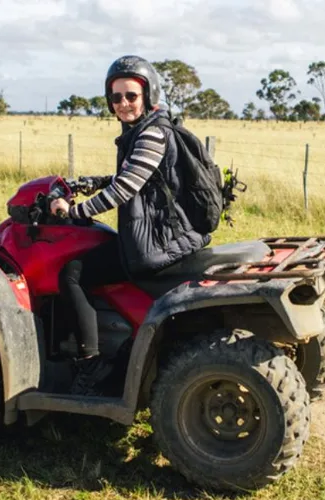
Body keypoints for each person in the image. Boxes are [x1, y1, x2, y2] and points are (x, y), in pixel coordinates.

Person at [49, 55, 211, 395]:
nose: (123, 103)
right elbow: (139, 176)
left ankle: (90, 364)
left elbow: (125, 188)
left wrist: (73, 212)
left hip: (155, 246)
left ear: (148, 95)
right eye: (116, 97)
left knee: (71, 274)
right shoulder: (146, 129)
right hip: (163, 236)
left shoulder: (152, 134)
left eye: (131, 96)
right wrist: (90, 183)